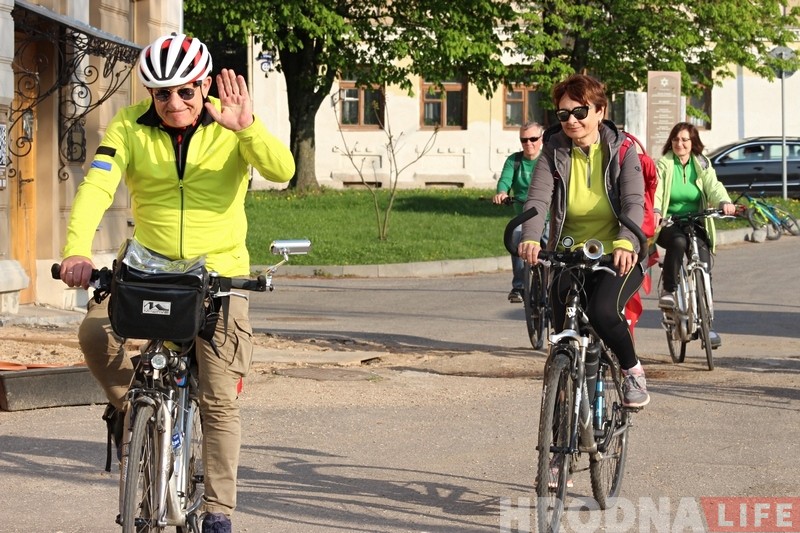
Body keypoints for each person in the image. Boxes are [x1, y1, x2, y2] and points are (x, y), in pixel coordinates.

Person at [56, 33, 295, 533]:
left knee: (217, 397)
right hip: (146, 269)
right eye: (162, 93)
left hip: (218, 275)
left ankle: (217, 511)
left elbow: (282, 170)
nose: (175, 103)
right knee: (94, 334)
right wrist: (76, 249)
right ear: (149, 94)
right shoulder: (128, 126)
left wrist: (246, 128)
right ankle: (134, 409)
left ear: (203, 84)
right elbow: (98, 183)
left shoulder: (230, 122)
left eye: (186, 91)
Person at [517, 73, 650, 408]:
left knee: (603, 311)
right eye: (563, 114)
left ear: (600, 112)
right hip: (568, 254)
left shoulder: (622, 150)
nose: (571, 120)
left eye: (580, 112)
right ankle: (562, 430)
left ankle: (631, 370)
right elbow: (537, 201)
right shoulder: (553, 151)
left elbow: (634, 202)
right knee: (563, 334)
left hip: (617, 253)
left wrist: (625, 242)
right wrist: (531, 238)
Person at [654, 122, 736, 347]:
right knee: (678, 242)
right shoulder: (664, 164)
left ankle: (706, 324)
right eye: (676, 139)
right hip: (669, 222)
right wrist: (656, 212)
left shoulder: (701, 163)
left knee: (704, 266)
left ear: (693, 143)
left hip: (695, 221)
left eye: (684, 140)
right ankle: (669, 290)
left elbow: (713, 185)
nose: (679, 144)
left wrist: (724, 201)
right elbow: (657, 191)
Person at [493, 121, 543, 302]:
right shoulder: (514, 161)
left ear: (541, 139)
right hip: (524, 217)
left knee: (558, 246)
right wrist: (502, 193)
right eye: (524, 140)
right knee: (515, 235)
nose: (528, 143)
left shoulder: (548, 159)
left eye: (533, 139)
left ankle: (557, 286)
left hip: (548, 218)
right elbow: (505, 179)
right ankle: (519, 287)